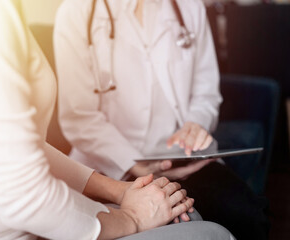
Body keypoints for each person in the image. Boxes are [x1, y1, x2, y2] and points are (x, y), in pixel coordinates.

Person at [0, 0, 237, 239]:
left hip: (165, 162)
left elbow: (22, 151)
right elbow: (21, 191)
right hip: (4, 226)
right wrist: (130, 218)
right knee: (213, 234)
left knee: (208, 217)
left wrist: (118, 192)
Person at [54, 0, 269, 239]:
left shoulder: (189, 7)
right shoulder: (76, 13)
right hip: (108, 167)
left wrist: (195, 125)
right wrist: (132, 163)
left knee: (248, 217)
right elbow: (79, 116)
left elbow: (206, 94)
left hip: (184, 162)